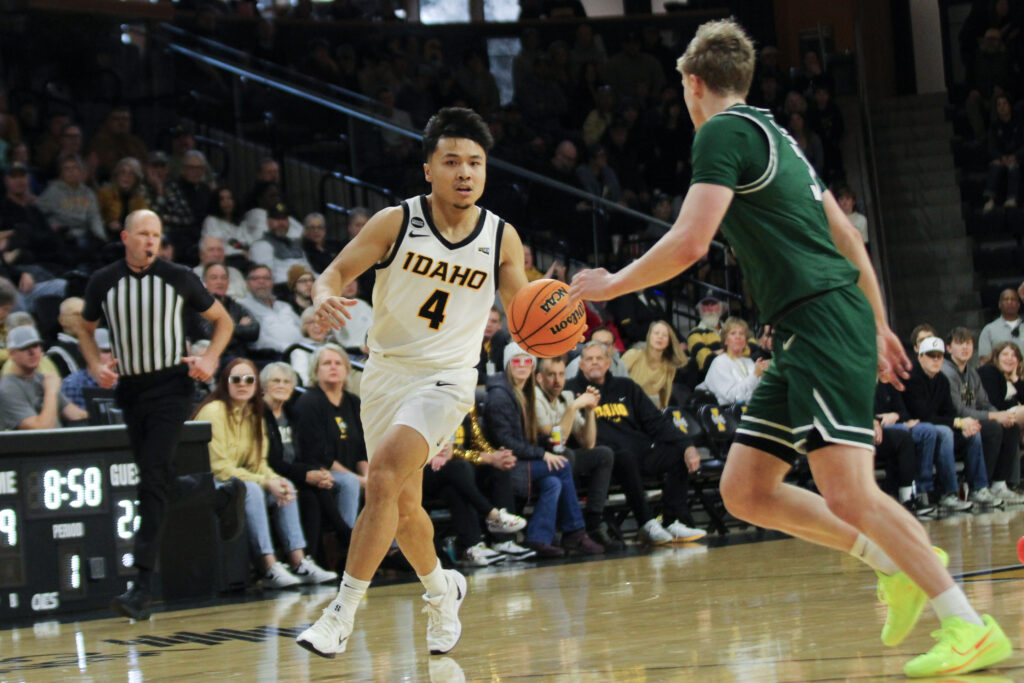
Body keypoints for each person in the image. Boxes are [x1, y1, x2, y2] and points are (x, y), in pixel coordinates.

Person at [569, 20, 1011, 677]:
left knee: (849, 491)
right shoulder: (779, 136)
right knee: (746, 488)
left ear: (692, 84)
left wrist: (611, 282)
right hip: (811, 325)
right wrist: (881, 321)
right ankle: (894, 562)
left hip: (822, 320)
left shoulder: (721, 132)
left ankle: (968, 624)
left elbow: (691, 243)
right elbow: (848, 238)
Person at [296, 107, 533, 660]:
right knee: (402, 507)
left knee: (379, 477)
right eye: (452, 161)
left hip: (448, 380)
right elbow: (331, 273)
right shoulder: (395, 222)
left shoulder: (501, 236)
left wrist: (548, 317)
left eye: (475, 162)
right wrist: (321, 296)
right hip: (384, 375)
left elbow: (521, 308)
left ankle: (341, 613)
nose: (465, 172)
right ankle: (441, 589)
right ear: (429, 168)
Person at [78, 209, 243, 621]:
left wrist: (210, 358)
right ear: (125, 236)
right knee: (158, 480)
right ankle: (220, 493)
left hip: (172, 387)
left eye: (156, 234)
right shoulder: (103, 280)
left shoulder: (178, 276)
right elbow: (83, 325)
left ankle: (140, 587)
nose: (150, 240)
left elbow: (222, 321)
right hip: (131, 390)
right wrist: (94, 364)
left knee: (150, 482)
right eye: (143, 234)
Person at [194, 358, 338, 588]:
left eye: (249, 379)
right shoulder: (214, 411)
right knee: (254, 489)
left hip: (239, 481)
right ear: (225, 382)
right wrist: (264, 481)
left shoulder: (253, 415)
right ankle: (269, 567)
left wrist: (274, 480)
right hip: (211, 483)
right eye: (236, 379)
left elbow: (259, 463)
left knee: (285, 484)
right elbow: (218, 467)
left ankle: (299, 562)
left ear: (256, 386)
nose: (243, 384)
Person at [567, 341, 705, 543]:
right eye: (589, 359)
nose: (594, 363)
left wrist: (687, 445)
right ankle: (646, 522)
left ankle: (673, 521)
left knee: (677, 455)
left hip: (640, 453)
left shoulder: (627, 387)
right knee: (624, 457)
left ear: (608, 363)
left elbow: (656, 422)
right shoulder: (571, 391)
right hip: (604, 462)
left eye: (599, 358)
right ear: (581, 365)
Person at [485, 342, 604, 558]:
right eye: (516, 361)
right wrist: (542, 453)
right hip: (503, 467)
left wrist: (545, 442)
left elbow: (525, 438)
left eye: (527, 361)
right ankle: (575, 532)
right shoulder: (500, 396)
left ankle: (538, 539)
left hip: (519, 462)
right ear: (507, 365)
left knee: (553, 482)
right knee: (562, 466)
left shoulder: (522, 392)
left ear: (532, 367)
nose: (522, 365)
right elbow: (506, 441)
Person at [535, 354, 621, 550]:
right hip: (540, 461)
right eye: (551, 375)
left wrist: (590, 410)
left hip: (561, 461)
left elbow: (588, 443)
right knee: (567, 456)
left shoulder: (566, 396)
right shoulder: (535, 398)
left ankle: (593, 522)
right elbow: (557, 441)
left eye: (561, 374)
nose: (557, 380)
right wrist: (574, 407)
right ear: (540, 378)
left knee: (603, 454)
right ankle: (564, 528)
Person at [942, 327, 1023, 503]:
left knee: (1011, 427)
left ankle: (999, 484)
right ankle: (979, 487)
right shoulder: (946, 372)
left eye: (968, 343)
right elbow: (959, 410)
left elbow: (984, 402)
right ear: (949, 348)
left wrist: (1002, 416)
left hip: (973, 420)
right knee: (992, 427)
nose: (965, 347)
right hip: (955, 423)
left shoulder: (971, 372)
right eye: (959, 343)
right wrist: (995, 417)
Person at [293, 344, 367, 537]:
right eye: (327, 363)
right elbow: (318, 454)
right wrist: (359, 480)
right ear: (316, 370)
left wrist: (368, 477)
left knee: (382, 481)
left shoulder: (354, 402)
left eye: (338, 363)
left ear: (347, 369)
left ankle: (391, 549)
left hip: (353, 471)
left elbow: (363, 449)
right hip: (323, 472)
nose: (333, 367)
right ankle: (348, 544)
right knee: (350, 482)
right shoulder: (308, 403)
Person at [0, 325, 87, 429]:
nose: (32, 352)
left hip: (61, 443)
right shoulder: (8, 388)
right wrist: (50, 391)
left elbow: (75, 414)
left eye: (36, 346)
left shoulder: (41, 379)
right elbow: (42, 429)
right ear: (11, 353)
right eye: (25, 348)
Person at [696, 316, 769, 405]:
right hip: (727, 413)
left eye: (741, 334)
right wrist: (755, 375)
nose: (738, 337)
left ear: (745, 340)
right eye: (733, 333)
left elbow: (758, 394)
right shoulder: (720, 362)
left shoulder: (750, 362)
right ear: (726, 340)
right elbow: (733, 397)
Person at [621, 320, 687, 410]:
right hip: (627, 405)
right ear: (649, 336)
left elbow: (664, 398)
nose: (660, 337)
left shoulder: (669, 366)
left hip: (652, 409)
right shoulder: (633, 355)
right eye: (656, 333)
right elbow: (615, 382)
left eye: (664, 335)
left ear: (669, 342)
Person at [61, 327, 116, 410]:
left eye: (111, 351)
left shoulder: (124, 384)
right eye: (104, 351)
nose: (110, 356)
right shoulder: (72, 385)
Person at [977, 288, 1022, 362]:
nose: (1009, 302)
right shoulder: (989, 330)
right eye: (1006, 299)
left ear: (1018, 305)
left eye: (1013, 299)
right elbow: (984, 360)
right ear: (999, 304)